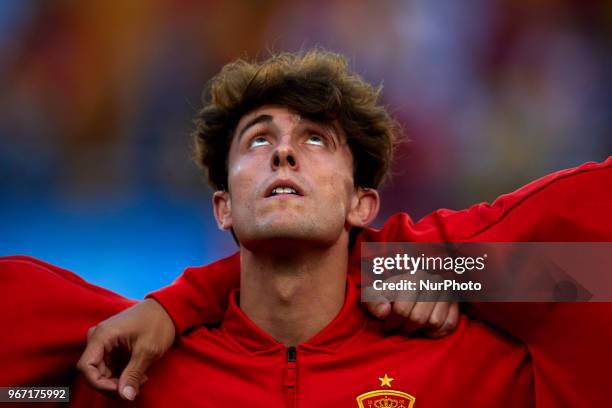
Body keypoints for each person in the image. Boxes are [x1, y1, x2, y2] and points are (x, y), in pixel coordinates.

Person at [1, 50, 611, 406]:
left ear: (362, 205)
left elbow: (592, 271)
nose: (283, 153)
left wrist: (418, 262)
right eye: (258, 139)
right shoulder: (127, 370)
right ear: (223, 208)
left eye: (315, 139)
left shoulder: (475, 371)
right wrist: (175, 306)